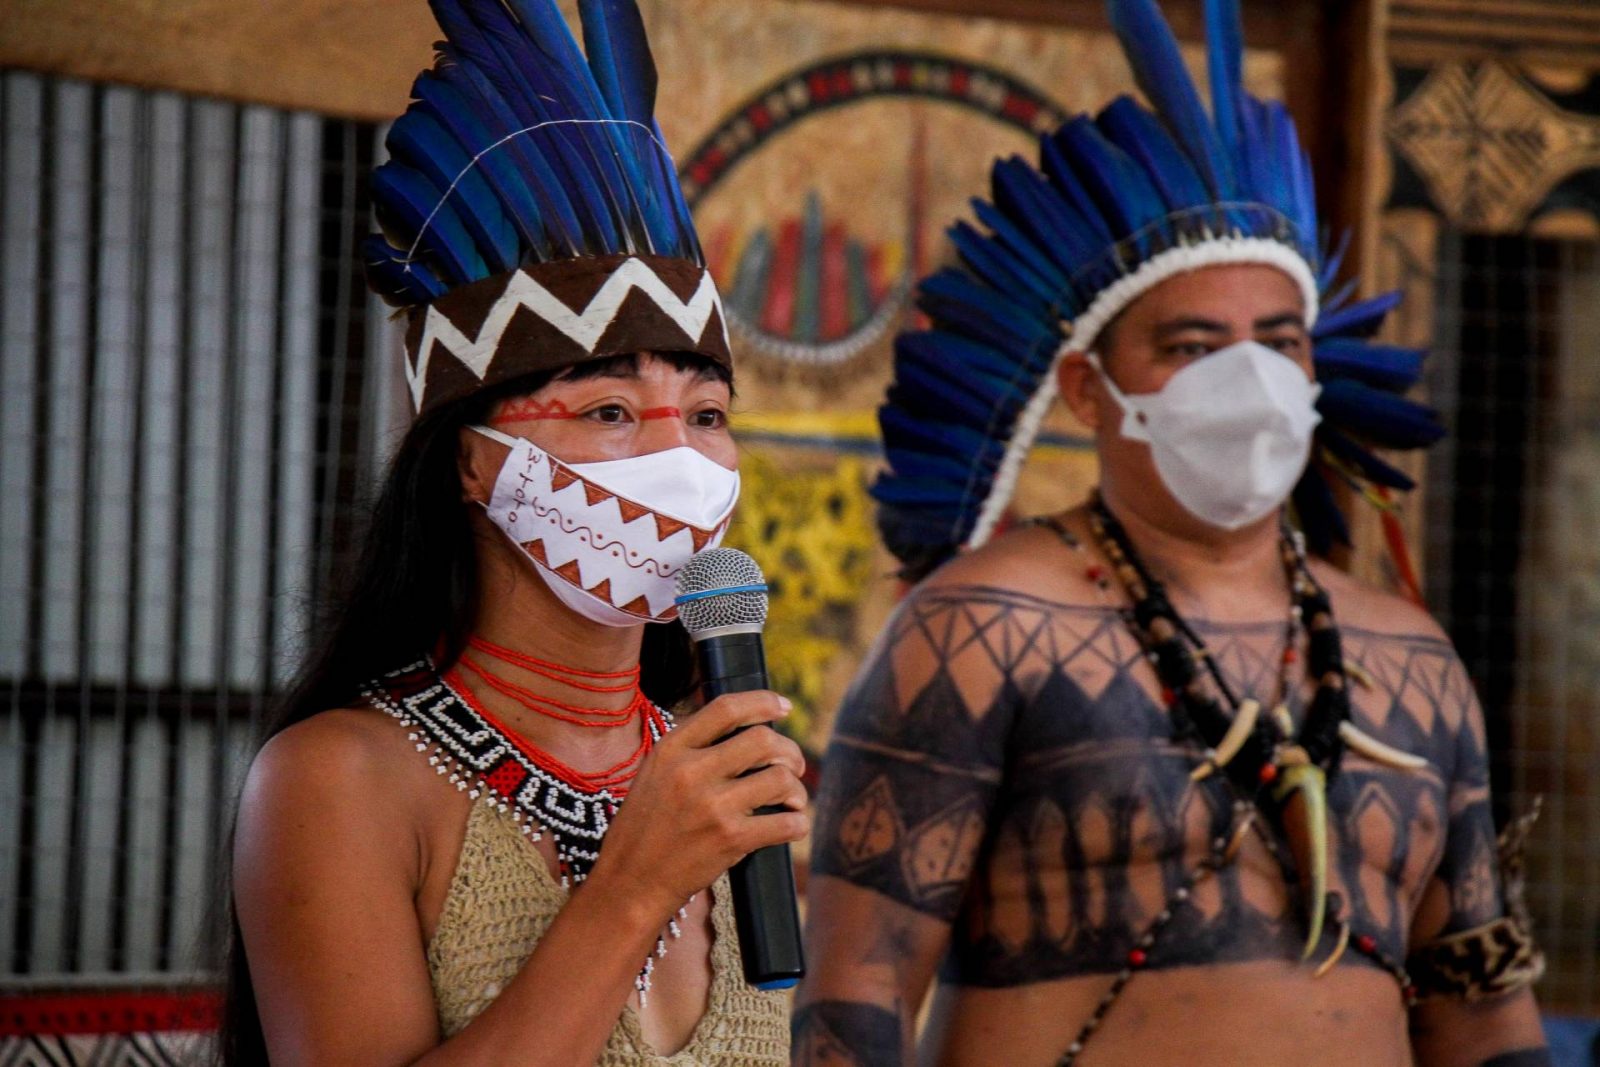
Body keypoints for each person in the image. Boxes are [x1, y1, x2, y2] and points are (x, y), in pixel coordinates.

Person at [794, 1, 1549, 1064]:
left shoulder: (1407, 658)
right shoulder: (979, 624)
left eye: (1277, 341)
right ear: (1087, 390)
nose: (1247, 381)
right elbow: (857, 982)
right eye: (1193, 345)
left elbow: (1479, 1002)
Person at [221, 2, 803, 1063]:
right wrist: (634, 881)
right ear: (474, 460)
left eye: (708, 414)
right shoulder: (338, 779)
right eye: (610, 411)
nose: (680, 459)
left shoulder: (721, 779)